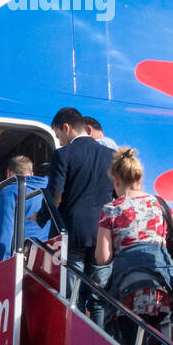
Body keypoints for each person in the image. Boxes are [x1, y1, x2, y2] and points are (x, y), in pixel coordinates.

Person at [94, 147, 173, 345]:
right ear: (139, 178)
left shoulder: (111, 209)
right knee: (144, 335)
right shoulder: (159, 203)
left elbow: (102, 257)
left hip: (129, 288)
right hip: (161, 286)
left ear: (116, 181)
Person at [45, 107, 116, 328]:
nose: (59, 141)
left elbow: (56, 196)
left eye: (58, 135)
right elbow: (117, 194)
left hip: (71, 232)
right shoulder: (111, 156)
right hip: (103, 235)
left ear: (66, 128)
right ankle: (99, 344)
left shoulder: (62, 155)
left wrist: (40, 218)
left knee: (71, 296)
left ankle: (72, 343)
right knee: (98, 297)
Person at [0, 155, 50, 264]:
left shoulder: (9, 192)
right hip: (47, 253)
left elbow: (3, 230)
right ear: (31, 174)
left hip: (23, 257)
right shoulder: (48, 190)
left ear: (8, 173)